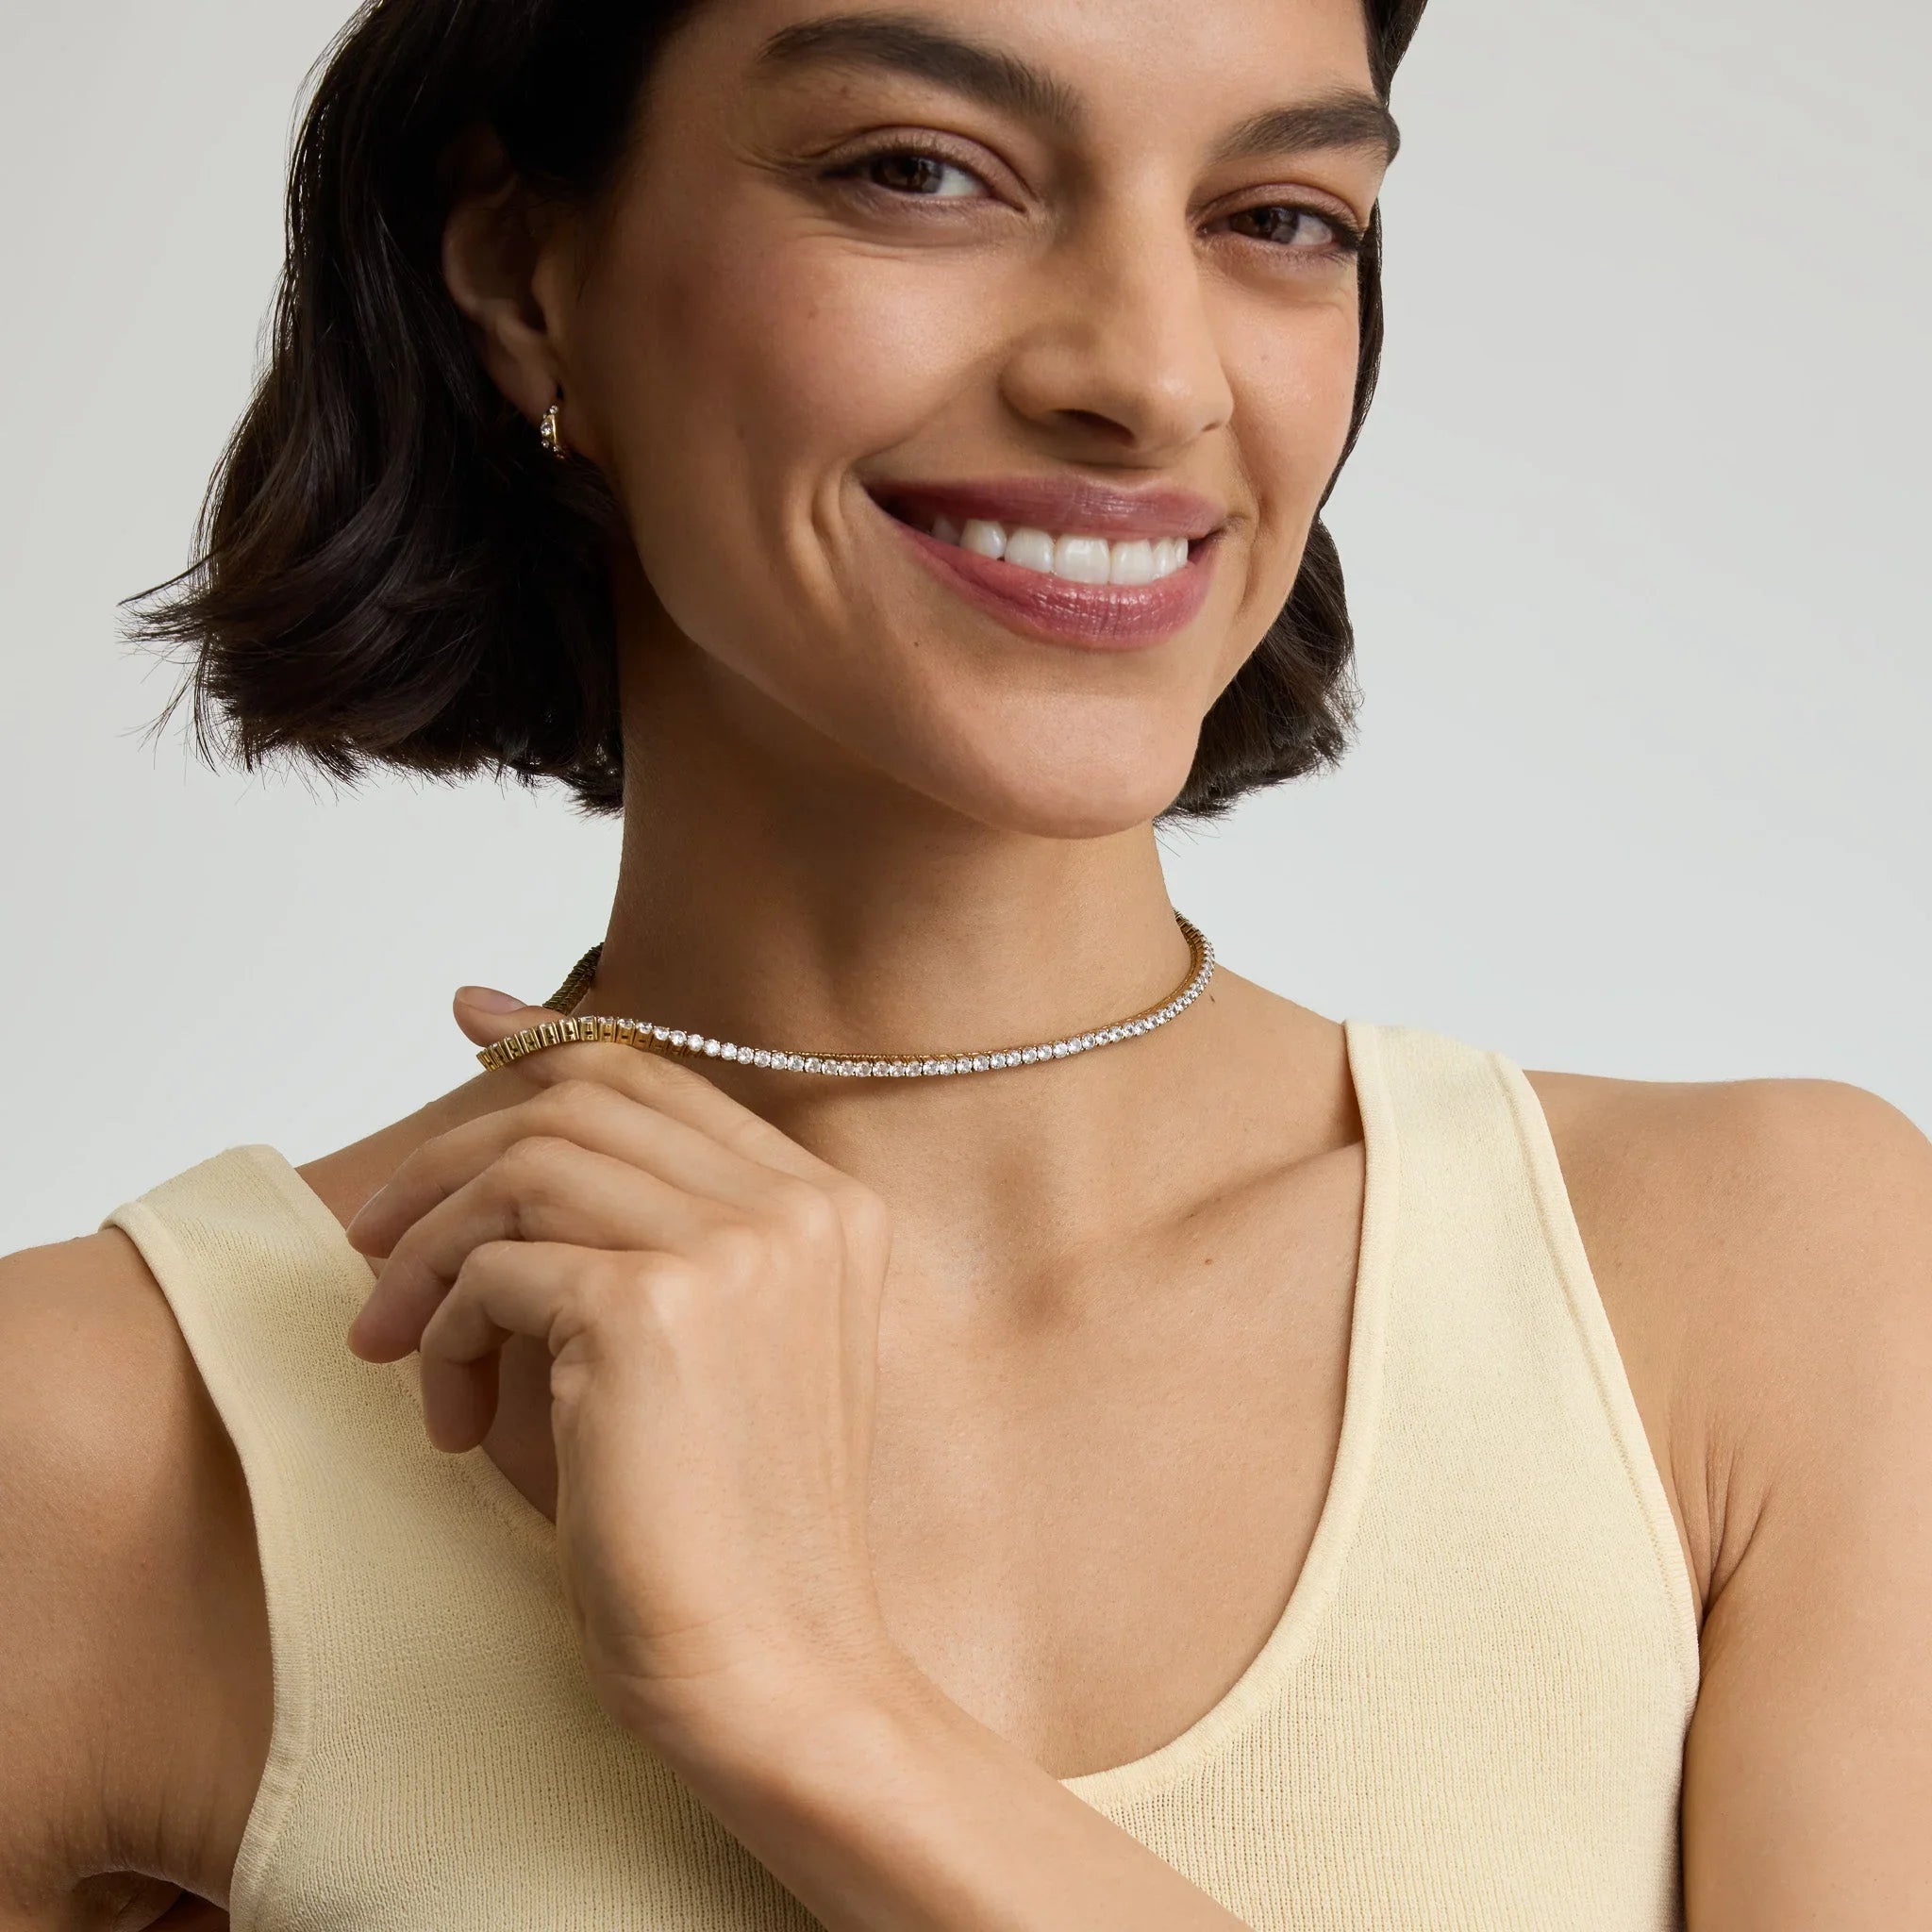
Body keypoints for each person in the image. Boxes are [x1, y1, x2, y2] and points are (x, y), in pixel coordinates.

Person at [3, 0, 1927, 1925]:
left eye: (1278, 217)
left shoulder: (1759, 1284)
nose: (1151, 377)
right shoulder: (107, 1447)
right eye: (922, 172)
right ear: (522, 270)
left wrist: (804, 1698)